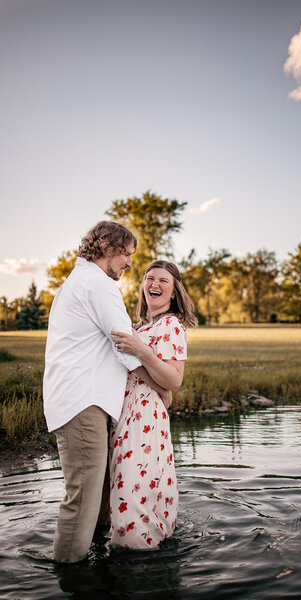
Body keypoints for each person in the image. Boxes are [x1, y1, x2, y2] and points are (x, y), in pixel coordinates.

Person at [43, 221, 171, 564]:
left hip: (86, 401)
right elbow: (125, 346)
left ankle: (99, 560)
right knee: (83, 497)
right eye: (127, 254)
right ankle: (70, 577)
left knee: (100, 494)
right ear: (107, 248)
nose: (129, 262)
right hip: (83, 402)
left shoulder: (84, 281)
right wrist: (162, 387)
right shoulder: (97, 284)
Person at [109, 260, 197, 549]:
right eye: (150, 278)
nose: (155, 285)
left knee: (131, 491)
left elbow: (173, 380)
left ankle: (140, 555)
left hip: (145, 416)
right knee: (129, 486)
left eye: (163, 281)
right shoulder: (138, 326)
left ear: (174, 293)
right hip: (121, 413)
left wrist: (140, 351)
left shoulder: (171, 326)